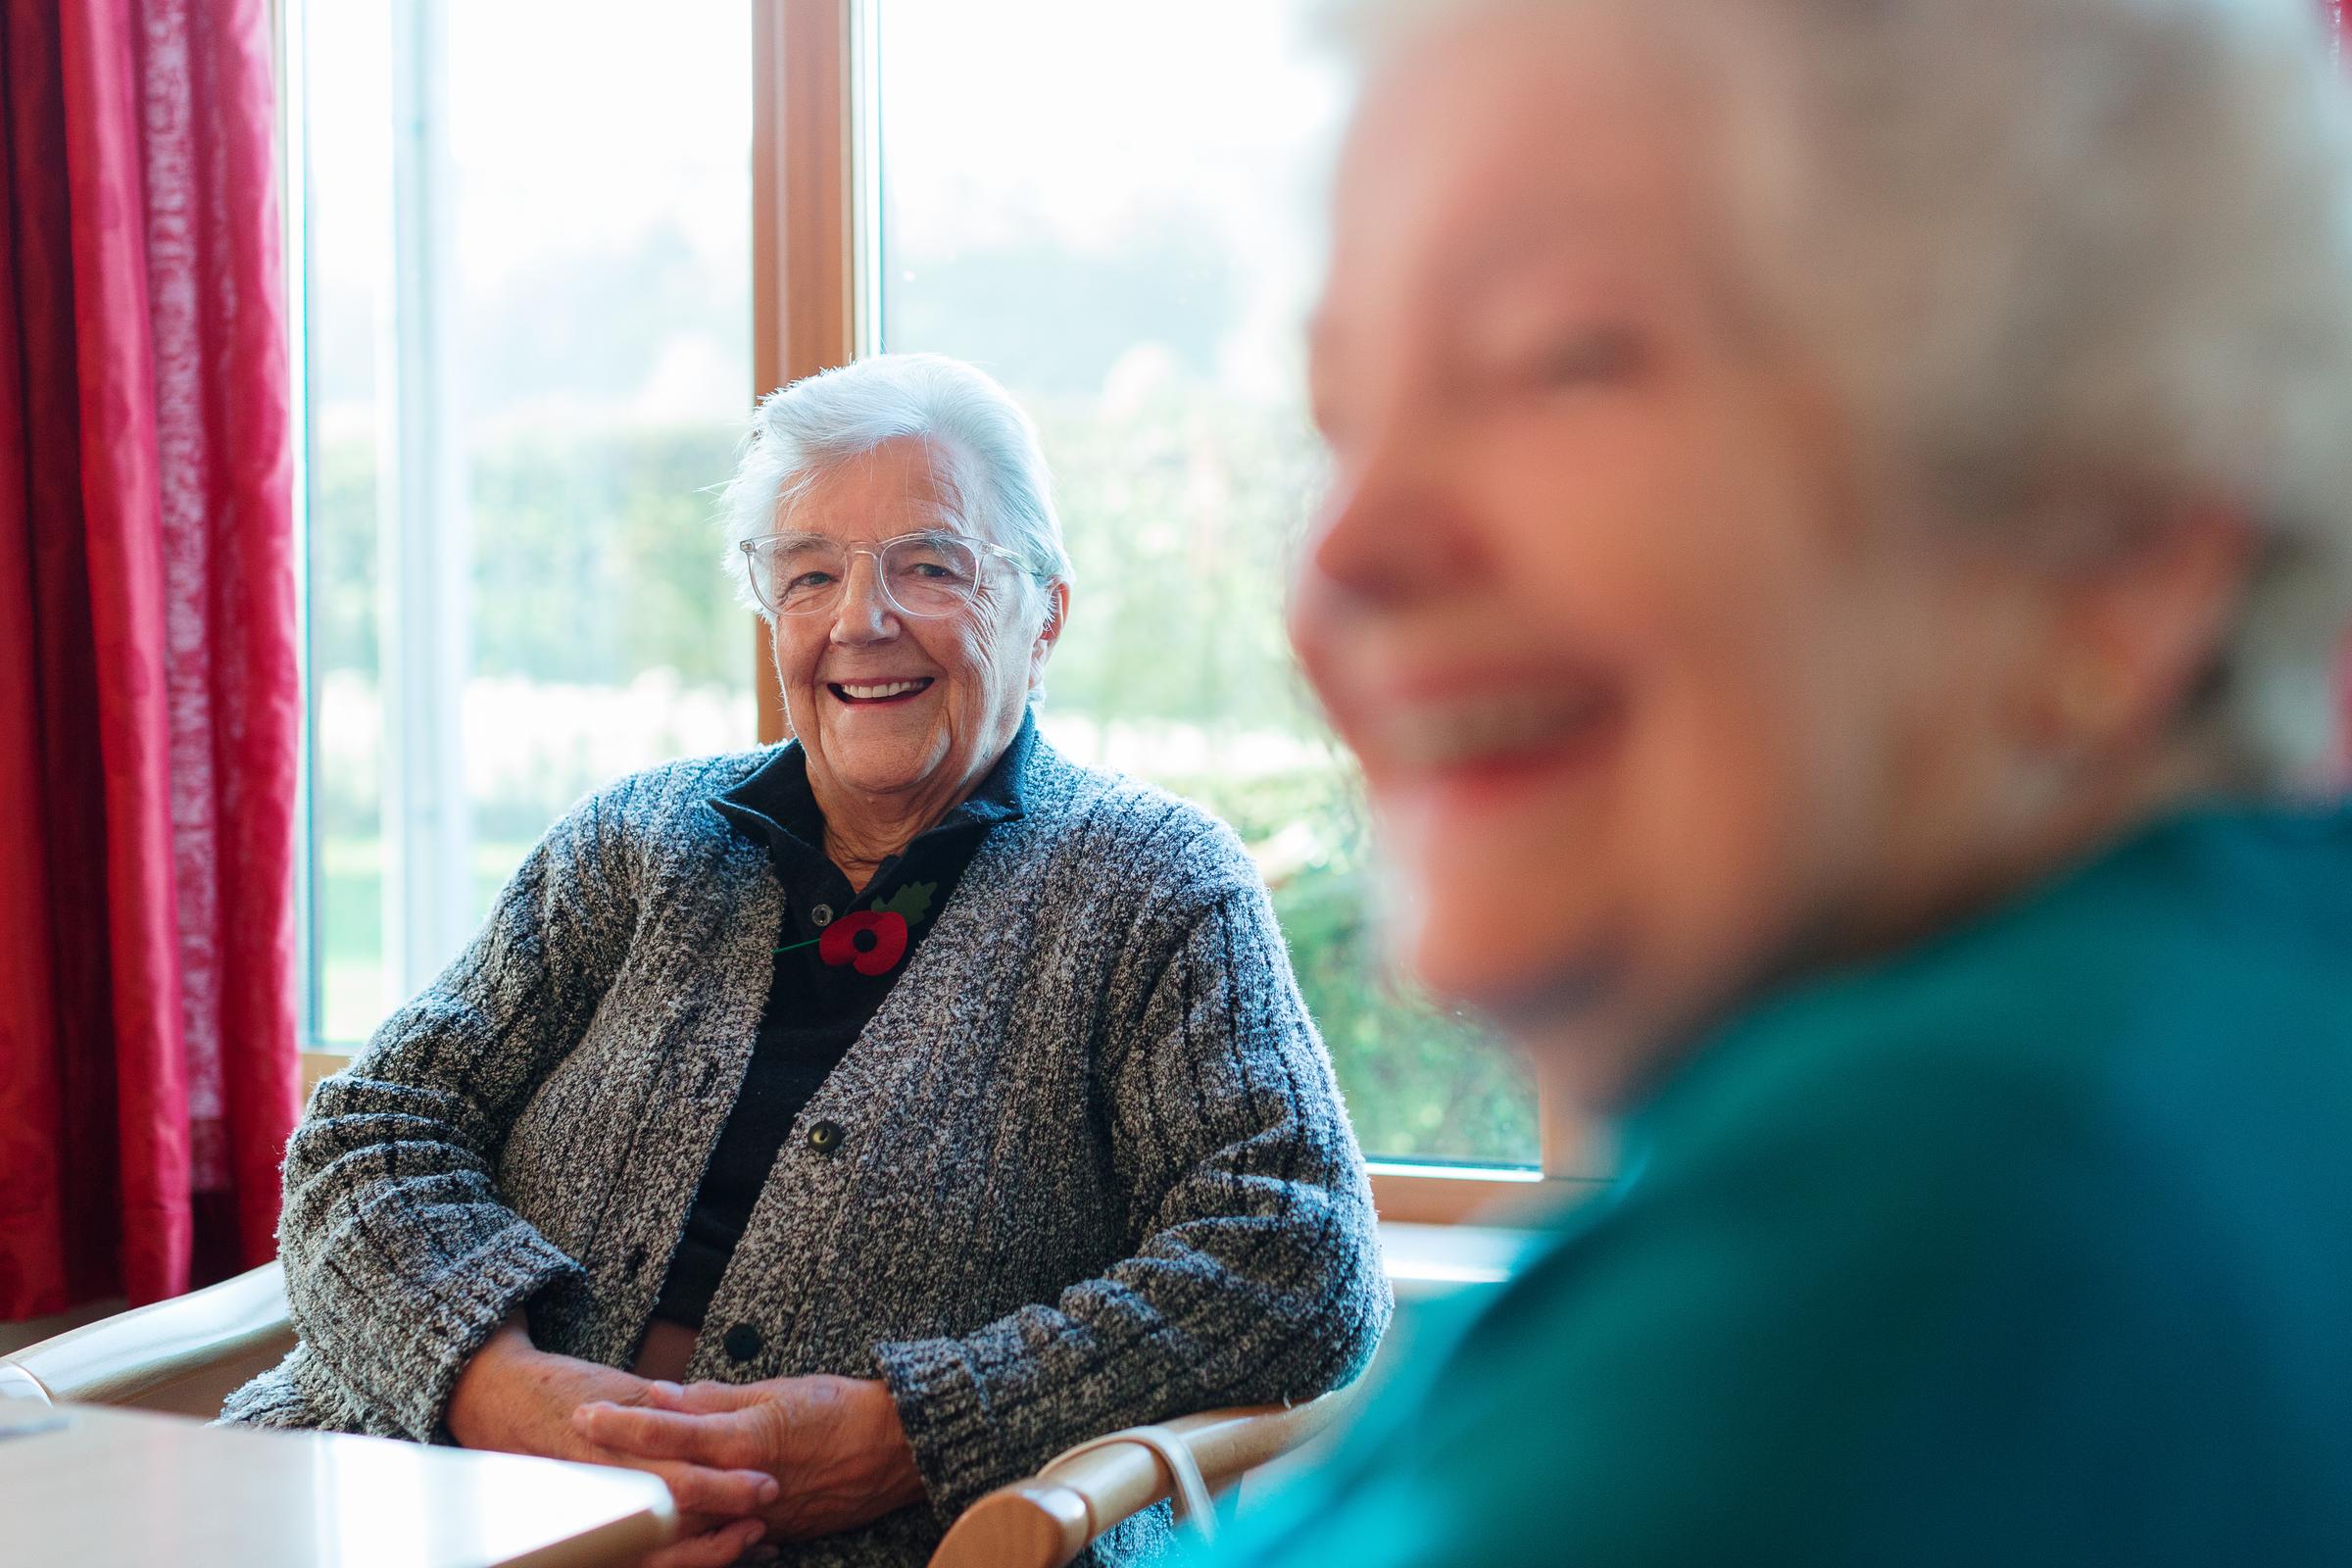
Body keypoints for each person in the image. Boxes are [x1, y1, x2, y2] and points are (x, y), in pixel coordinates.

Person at [1214, 0, 2352, 1562]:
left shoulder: (1950, 1229)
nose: (1344, 557)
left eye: (1563, 357)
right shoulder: (2217, 1026)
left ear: (2112, 541)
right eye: (1341, 413)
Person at [222, 353, 1390, 1568]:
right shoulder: (635, 842)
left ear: (1043, 612)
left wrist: (914, 1431)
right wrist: (500, 1393)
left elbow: (1295, 1253)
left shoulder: (1150, 885)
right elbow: (371, 1129)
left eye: (930, 566)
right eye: (810, 573)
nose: (859, 620)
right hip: (416, 1503)